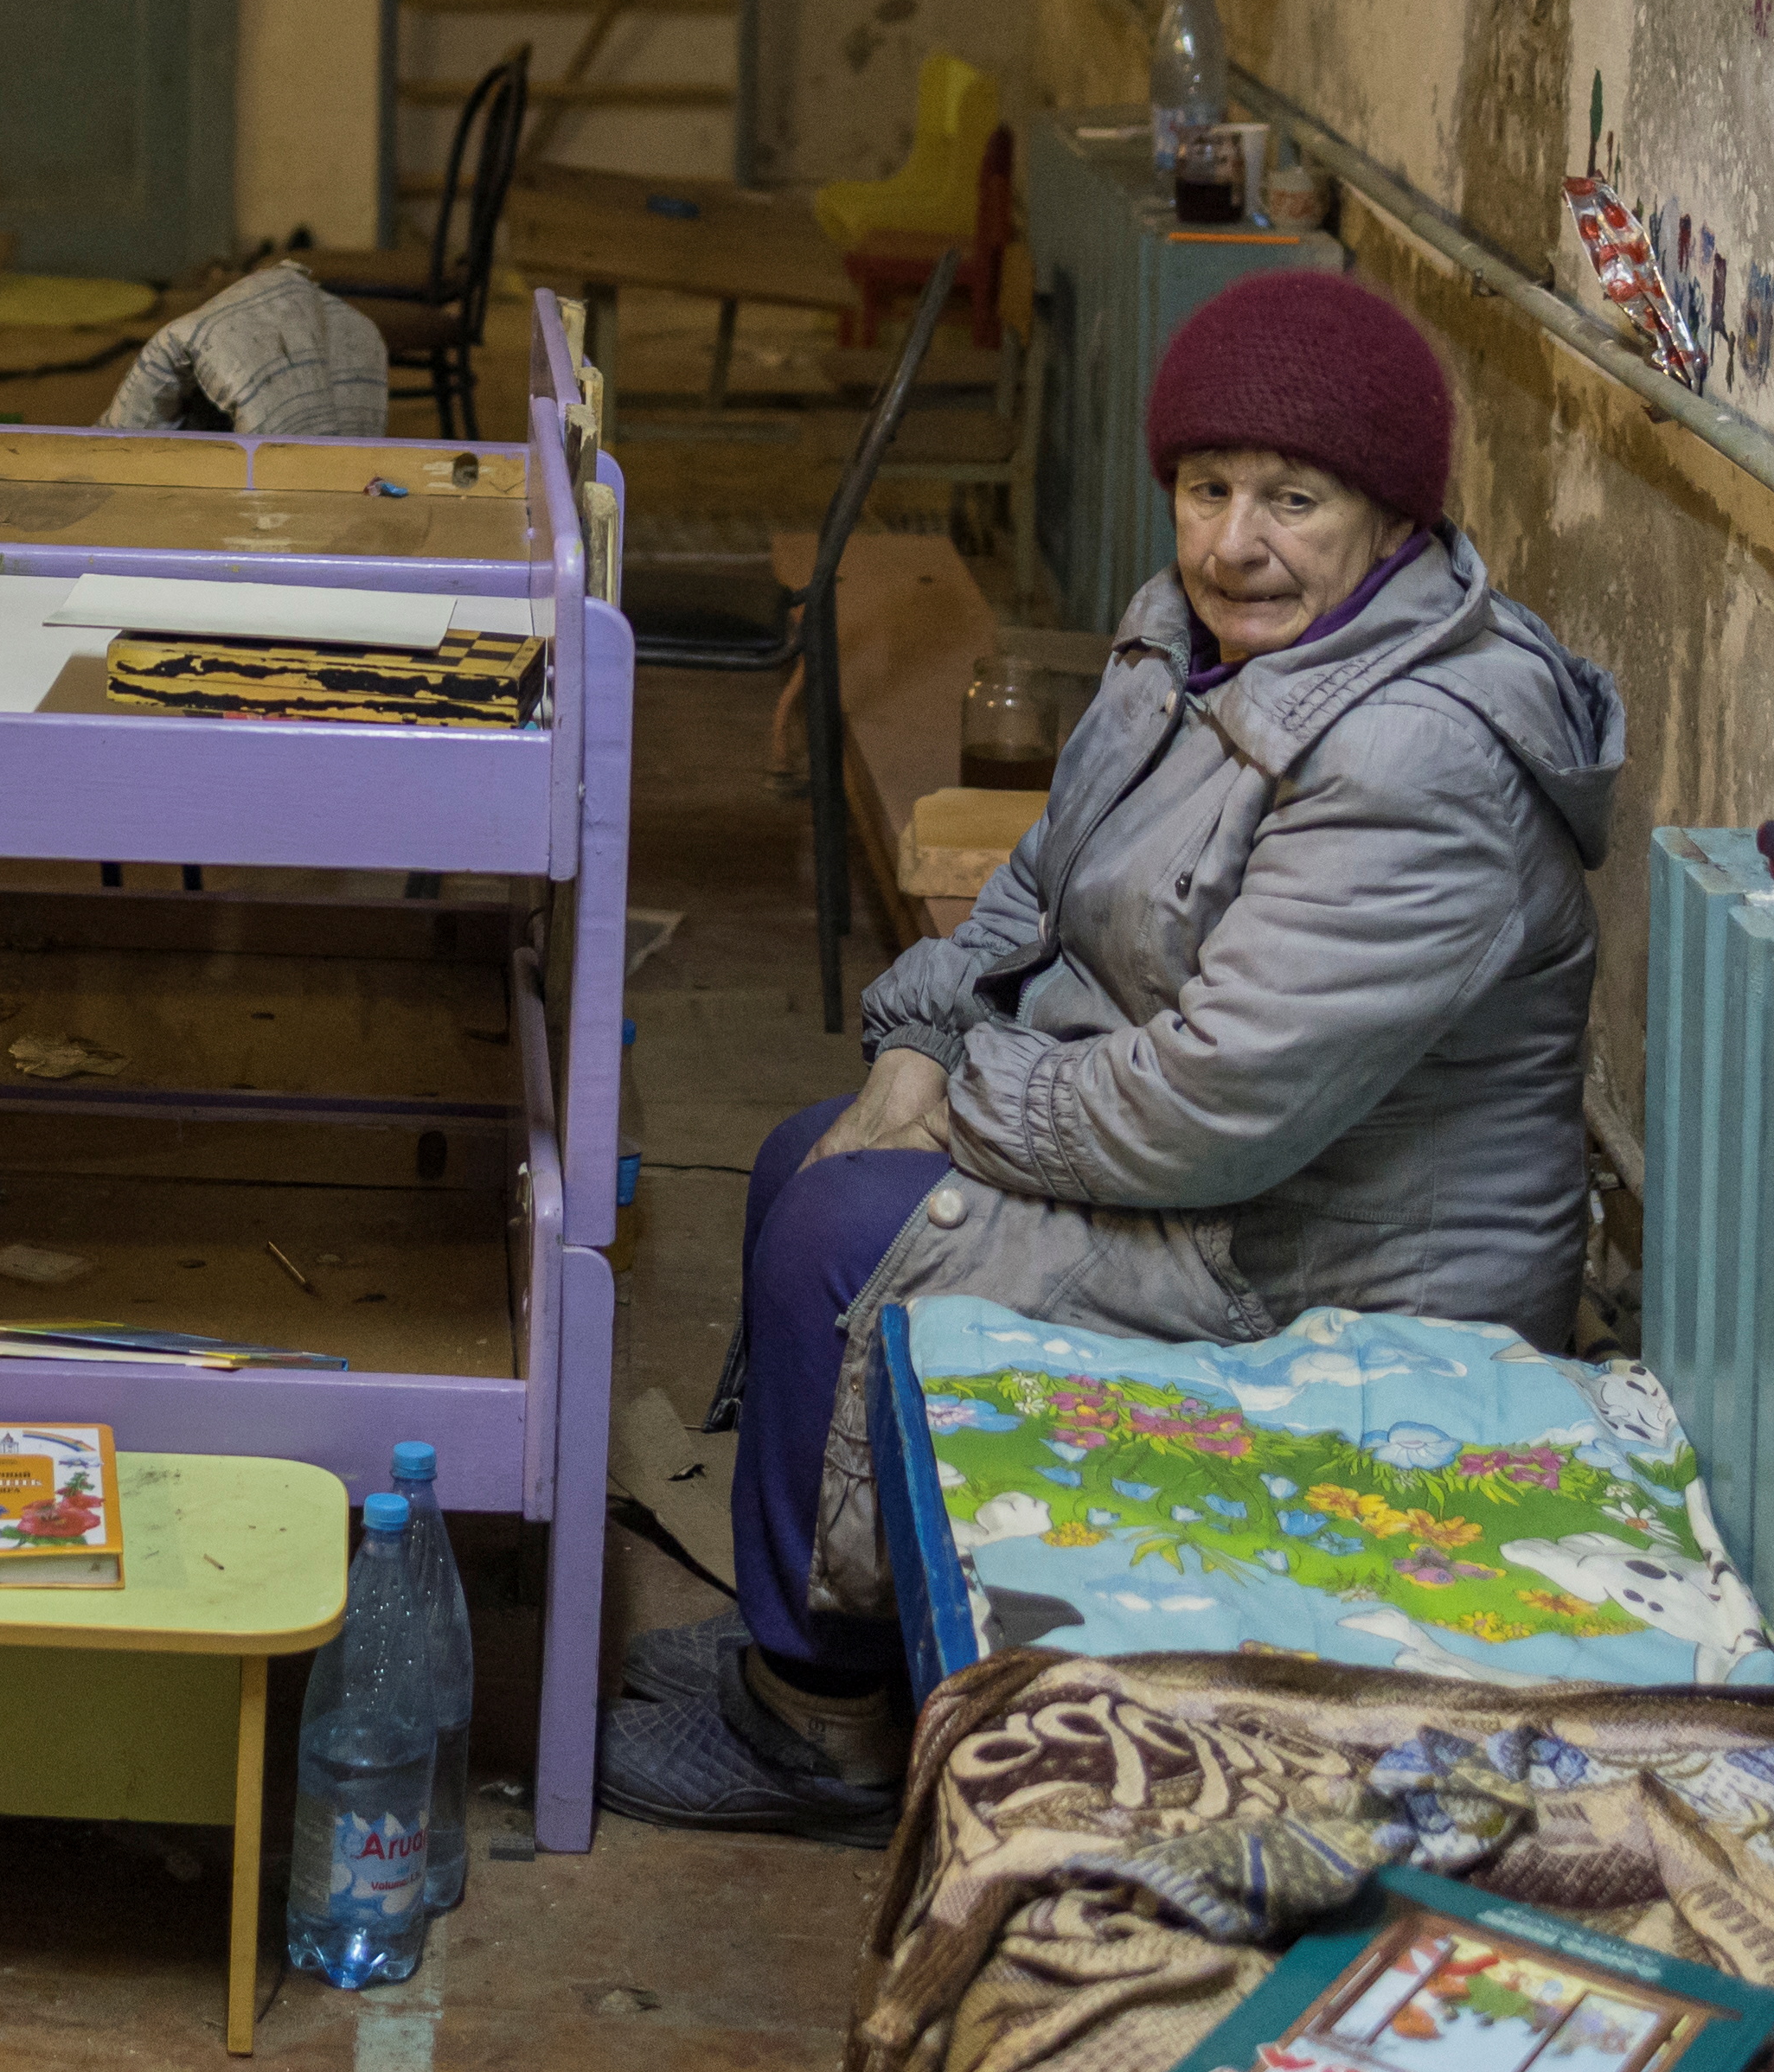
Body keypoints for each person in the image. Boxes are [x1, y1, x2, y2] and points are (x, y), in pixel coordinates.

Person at [604, 269, 1623, 1839]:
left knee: (839, 1234)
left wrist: (961, 1093)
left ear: (1396, 519)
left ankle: (825, 1735)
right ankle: (824, 1654)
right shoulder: (1193, 641)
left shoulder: (1417, 756)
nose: (1235, 541)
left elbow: (1215, 1106)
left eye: (1296, 498)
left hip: (1323, 1258)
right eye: (1208, 490)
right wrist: (926, 1028)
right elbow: (1043, 881)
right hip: (1225, 1179)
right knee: (801, 1155)